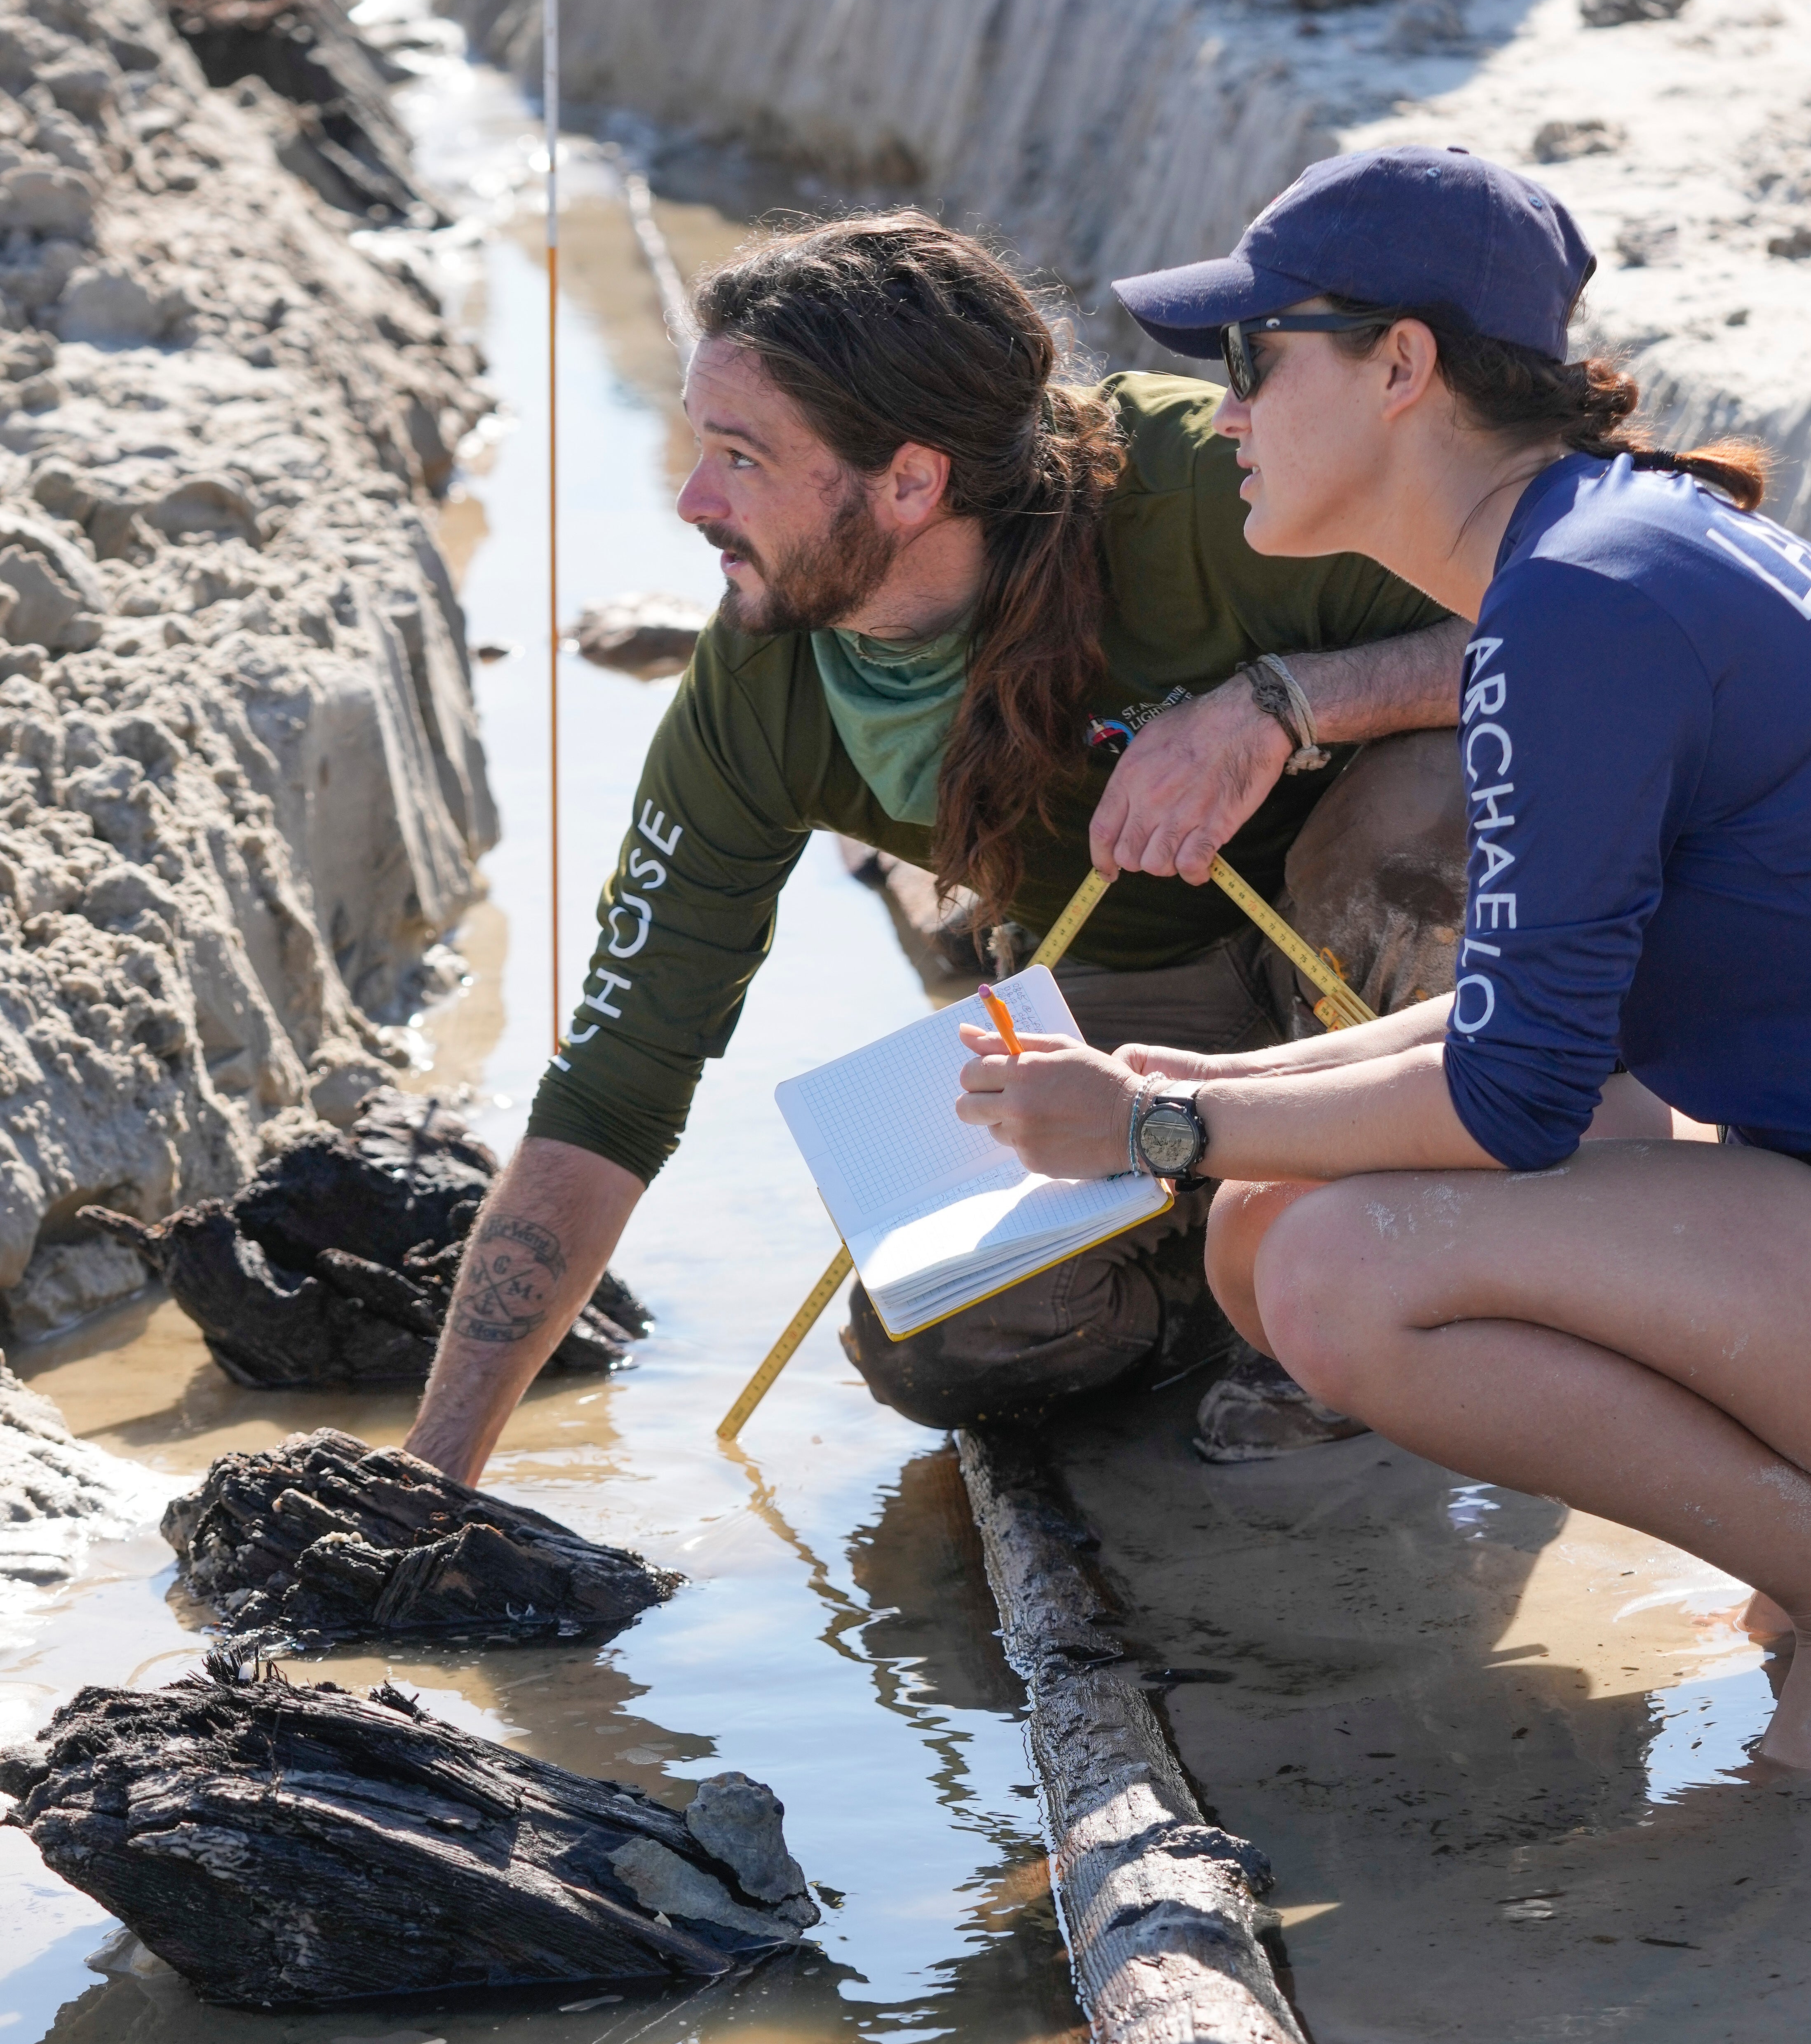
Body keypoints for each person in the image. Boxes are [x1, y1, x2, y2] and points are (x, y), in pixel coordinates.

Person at [954, 146, 1811, 1777]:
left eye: (1254, 360)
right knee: (1266, 1222)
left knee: (1333, 1273)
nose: (1229, 412)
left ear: (1402, 367)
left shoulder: (1580, 609)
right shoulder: (1602, 557)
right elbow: (1544, 1030)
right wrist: (1196, 1084)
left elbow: (1513, 1098)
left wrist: (1150, 1130)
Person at [404, 211, 1470, 1486]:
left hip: (1382, 981)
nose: (691, 503)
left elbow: (1577, 619)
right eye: (698, 446)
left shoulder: (1207, 492)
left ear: (911, 484)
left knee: (1434, 805)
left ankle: (1394, 1262)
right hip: (1142, 999)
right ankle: (1232, 1268)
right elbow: (612, 1087)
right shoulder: (762, 687)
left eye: (739, 458)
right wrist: (431, 1476)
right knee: (940, 1337)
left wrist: (1282, 704)